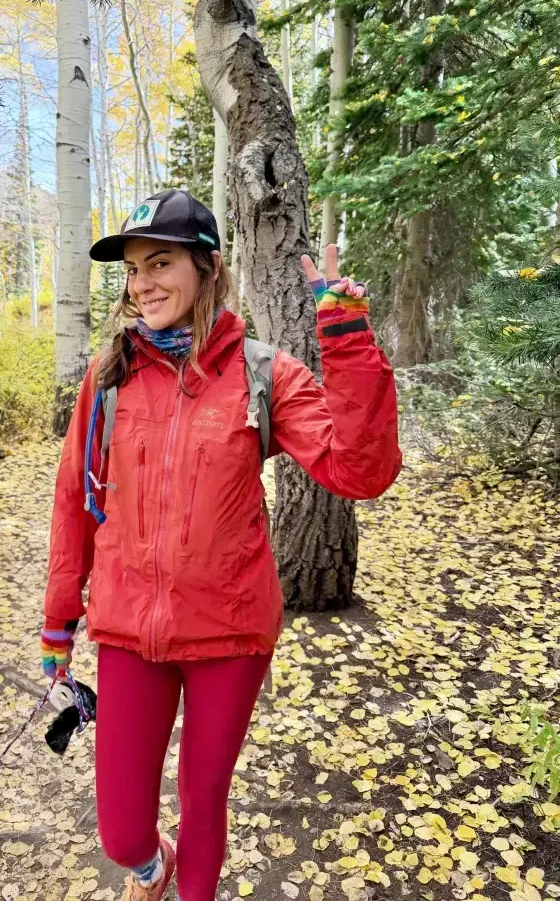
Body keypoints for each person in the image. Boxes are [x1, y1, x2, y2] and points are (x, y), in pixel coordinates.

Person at [40, 189, 402, 901]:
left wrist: (349, 339)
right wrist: (59, 621)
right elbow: (72, 502)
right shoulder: (109, 377)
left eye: (161, 262)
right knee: (121, 831)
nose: (142, 283)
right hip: (126, 627)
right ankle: (151, 866)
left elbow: (360, 472)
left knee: (204, 800)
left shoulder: (263, 374)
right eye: (134, 268)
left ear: (208, 269)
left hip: (230, 633)